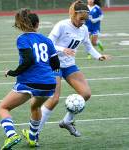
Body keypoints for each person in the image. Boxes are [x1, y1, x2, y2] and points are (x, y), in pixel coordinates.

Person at [37, 0, 110, 138]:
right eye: (81, 18)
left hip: (69, 65)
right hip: (54, 63)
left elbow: (88, 46)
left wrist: (99, 56)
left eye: (85, 19)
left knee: (86, 93)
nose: (83, 22)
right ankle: (35, 132)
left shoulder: (83, 29)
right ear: (73, 14)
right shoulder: (62, 25)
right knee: (54, 99)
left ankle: (67, 121)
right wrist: (63, 49)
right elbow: (48, 43)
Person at [0, 8, 60, 149]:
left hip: (29, 82)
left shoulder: (22, 39)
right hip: (49, 83)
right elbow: (56, 64)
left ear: (22, 25)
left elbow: (29, 59)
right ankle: (32, 138)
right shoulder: (47, 40)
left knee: (3, 107)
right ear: (38, 24)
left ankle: (12, 135)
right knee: (35, 106)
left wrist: (13, 72)